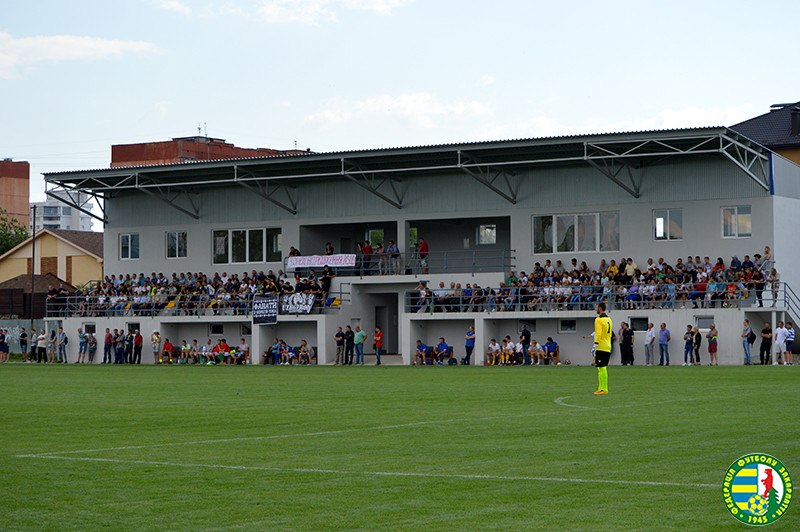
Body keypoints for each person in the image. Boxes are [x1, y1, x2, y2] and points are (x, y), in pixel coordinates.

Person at [593, 302, 612, 395]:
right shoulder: (609, 319)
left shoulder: (598, 320)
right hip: (608, 345)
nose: (596, 308)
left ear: (600, 308)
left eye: (597, 307)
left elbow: (598, 334)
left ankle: (604, 389)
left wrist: (595, 346)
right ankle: (601, 388)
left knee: (602, 367)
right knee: (601, 368)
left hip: (601, 346)